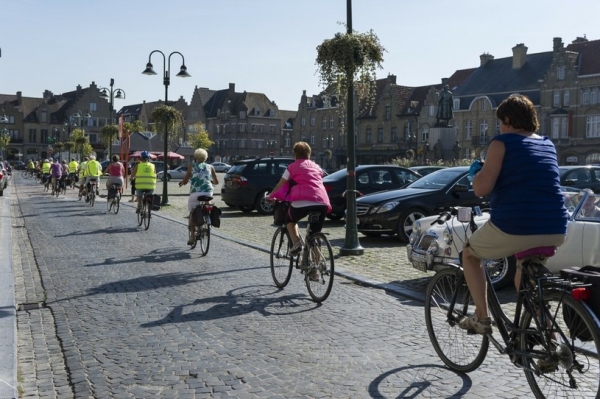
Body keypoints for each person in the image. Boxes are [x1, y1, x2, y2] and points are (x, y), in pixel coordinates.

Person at [460, 94, 568, 334]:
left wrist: (477, 173)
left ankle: (481, 317)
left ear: (507, 119)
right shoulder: (547, 144)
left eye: (500, 121)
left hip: (515, 224)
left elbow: (481, 189)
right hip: (555, 227)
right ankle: (549, 337)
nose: (500, 126)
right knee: (523, 279)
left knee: (469, 255)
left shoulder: (501, 143)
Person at [268, 141, 331, 260]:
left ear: (295, 155)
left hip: (302, 201)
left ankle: (297, 243)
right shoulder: (317, 167)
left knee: (290, 220)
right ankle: (315, 270)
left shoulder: (291, 167)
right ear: (309, 154)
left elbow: (280, 185)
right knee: (314, 235)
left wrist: (270, 196)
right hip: (321, 202)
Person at [179, 148, 219, 245]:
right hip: (208, 192)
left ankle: (192, 236)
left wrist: (182, 183)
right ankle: (207, 218)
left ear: (196, 157)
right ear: (205, 157)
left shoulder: (192, 166)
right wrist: (211, 182)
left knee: (192, 212)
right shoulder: (210, 167)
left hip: (195, 193)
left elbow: (186, 179)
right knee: (207, 205)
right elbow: (216, 182)